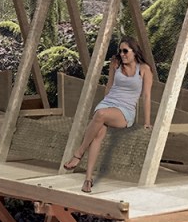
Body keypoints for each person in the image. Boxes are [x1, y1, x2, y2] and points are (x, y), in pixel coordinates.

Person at [63, 37, 153, 193]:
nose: (122, 54)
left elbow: (146, 96)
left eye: (125, 51)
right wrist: (106, 103)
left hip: (125, 110)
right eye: (120, 51)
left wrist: (147, 121)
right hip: (108, 104)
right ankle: (88, 180)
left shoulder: (144, 69)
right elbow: (109, 86)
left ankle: (79, 153)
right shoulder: (116, 64)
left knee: (100, 115)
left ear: (134, 51)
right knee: (98, 134)